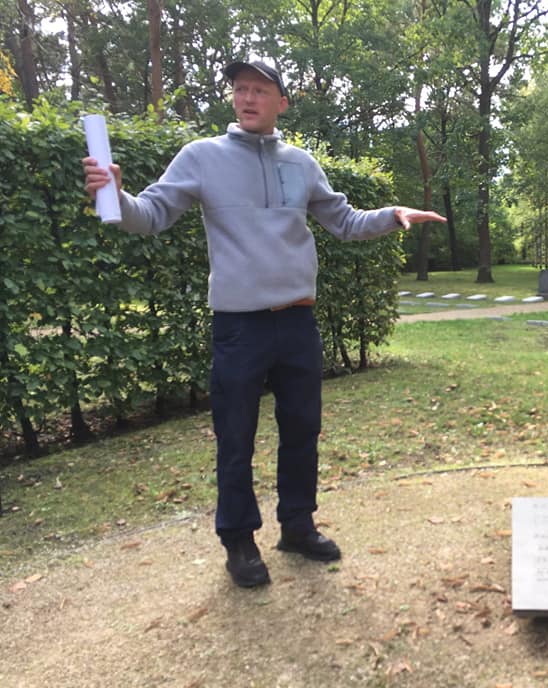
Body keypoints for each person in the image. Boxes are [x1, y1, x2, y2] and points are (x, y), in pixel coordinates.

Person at [83, 59, 445, 588]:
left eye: (260, 90)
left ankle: (297, 526)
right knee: (236, 437)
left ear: (282, 102)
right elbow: (152, 215)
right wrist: (114, 194)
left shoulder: (301, 163)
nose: (247, 98)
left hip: (298, 321)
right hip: (239, 328)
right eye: (240, 89)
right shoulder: (201, 157)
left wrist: (391, 215)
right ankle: (239, 541)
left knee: (302, 431)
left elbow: (342, 221)